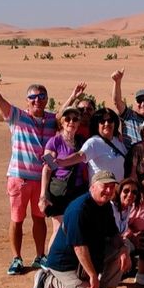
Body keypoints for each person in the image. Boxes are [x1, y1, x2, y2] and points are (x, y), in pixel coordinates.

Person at [0, 62, 57, 275]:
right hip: (19, 177)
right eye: (33, 97)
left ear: (46, 99)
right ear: (27, 101)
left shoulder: (53, 120)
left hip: (41, 179)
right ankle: (16, 258)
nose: (37, 100)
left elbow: (69, 118)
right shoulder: (17, 116)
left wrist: (73, 96)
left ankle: (40, 256)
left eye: (42, 96)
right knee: (17, 219)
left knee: (39, 218)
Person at [31, 170, 131, 288]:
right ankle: (48, 282)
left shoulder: (106, 206)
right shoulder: (79, 210)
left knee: (124, 248)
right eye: (104, 186)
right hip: (66, 264)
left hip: (85, 257)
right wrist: (92, 275)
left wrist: (123, 249)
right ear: (92, 187)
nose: (109, 190)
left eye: (112, 186)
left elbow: (113, 234)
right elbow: (79, 247)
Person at [39, 106, 88, 251]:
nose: (71, 122)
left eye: (75, 119)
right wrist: (43, 194)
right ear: (62, 121)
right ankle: (51, 264)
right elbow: (47, 168)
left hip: (78, 190)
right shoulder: (54, 142)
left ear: (79, 123)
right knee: (59, 228)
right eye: (67, 118)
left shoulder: (81, 141)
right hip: (60, 189)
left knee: (76, 227)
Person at [80, 108, 129, 181]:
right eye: (102, 121)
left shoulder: (118, 141)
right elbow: (80, 155)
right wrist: (62, 162)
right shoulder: (93, 142)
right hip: (102, 190)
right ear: (97, 124)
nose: (107, 124)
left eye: (110, 121)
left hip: (118, 189)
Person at [111, 69, 144, 145]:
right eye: (139, 100)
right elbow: (117, 101)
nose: (143, 104)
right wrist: (117, 82)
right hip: (131, 155)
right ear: (135, 102)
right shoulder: (128, 115)